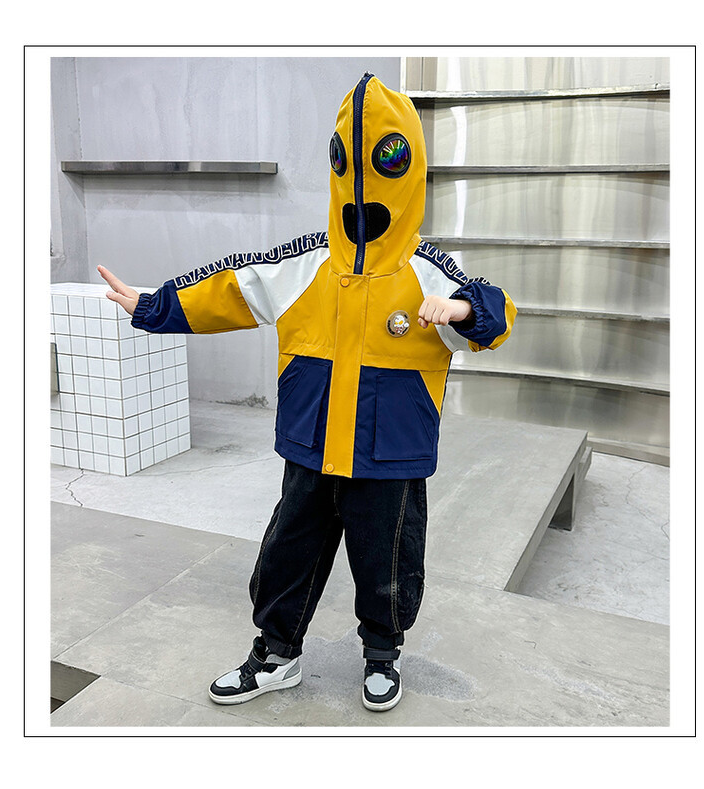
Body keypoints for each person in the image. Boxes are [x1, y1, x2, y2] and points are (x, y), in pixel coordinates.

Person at [99, 73, 516, 712]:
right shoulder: (307, 261)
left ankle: (382, 654)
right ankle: (276, 653)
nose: (364, 182)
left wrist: (462, 310)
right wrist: (152, 305)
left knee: (389, 559)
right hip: (312, 444)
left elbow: (498, 314)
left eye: (386, 159)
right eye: (349, 160)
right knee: (289, 549)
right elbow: (230, 288)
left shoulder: (428, 270)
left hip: (391, 453)